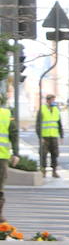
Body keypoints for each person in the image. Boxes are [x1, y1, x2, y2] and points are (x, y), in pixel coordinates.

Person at [0, 95, 18, 223]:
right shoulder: (6, 114)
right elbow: (14, 135)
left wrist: (16, 153)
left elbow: (13, 134)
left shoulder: (6, 114)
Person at [38, 92, 63, 177]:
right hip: (45, 136)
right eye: (52, 100)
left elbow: (59, 123)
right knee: (43, 154)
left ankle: (54, 171)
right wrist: (39, 136)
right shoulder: (42, 109)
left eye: (54, 100)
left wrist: (61, 135)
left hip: (54, 136)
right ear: (47, 100)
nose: (53, 101)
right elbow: (38, 123)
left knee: (55, 154)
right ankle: (43, 170)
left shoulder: (56, 109)